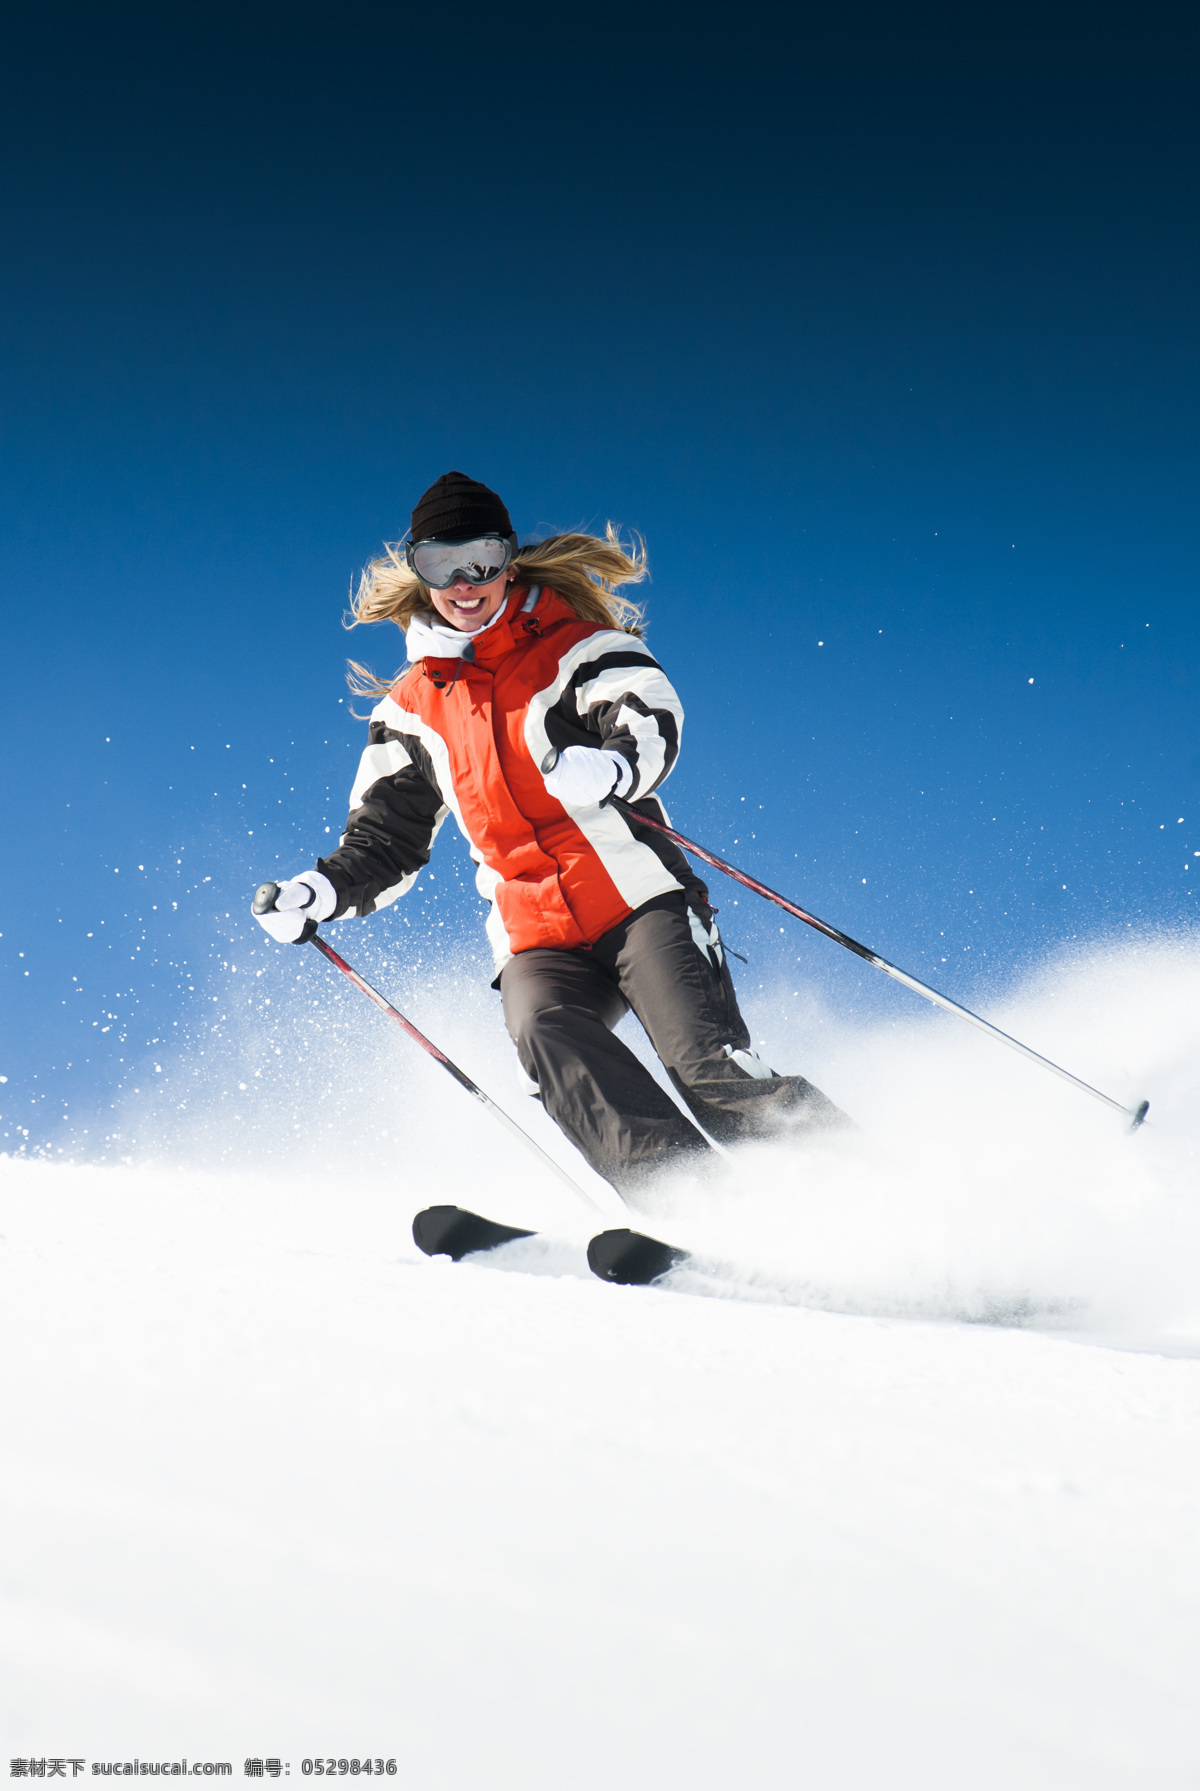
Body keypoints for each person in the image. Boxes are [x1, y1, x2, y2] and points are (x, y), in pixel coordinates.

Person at [253, 471, 846, 1198]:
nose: (466, 583)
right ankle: (689, 1202)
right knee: (546, 1032)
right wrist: (321, 891)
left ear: (510, 559)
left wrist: (616, 767)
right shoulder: (412, 707)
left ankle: (862, 1193)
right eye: (444, 564)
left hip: (640, 906)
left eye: (483, 560)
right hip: (534, 936)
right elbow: (387, 836)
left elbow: (649, 710)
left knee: (707, 1068)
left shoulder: (575, 647)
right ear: (418, 569)